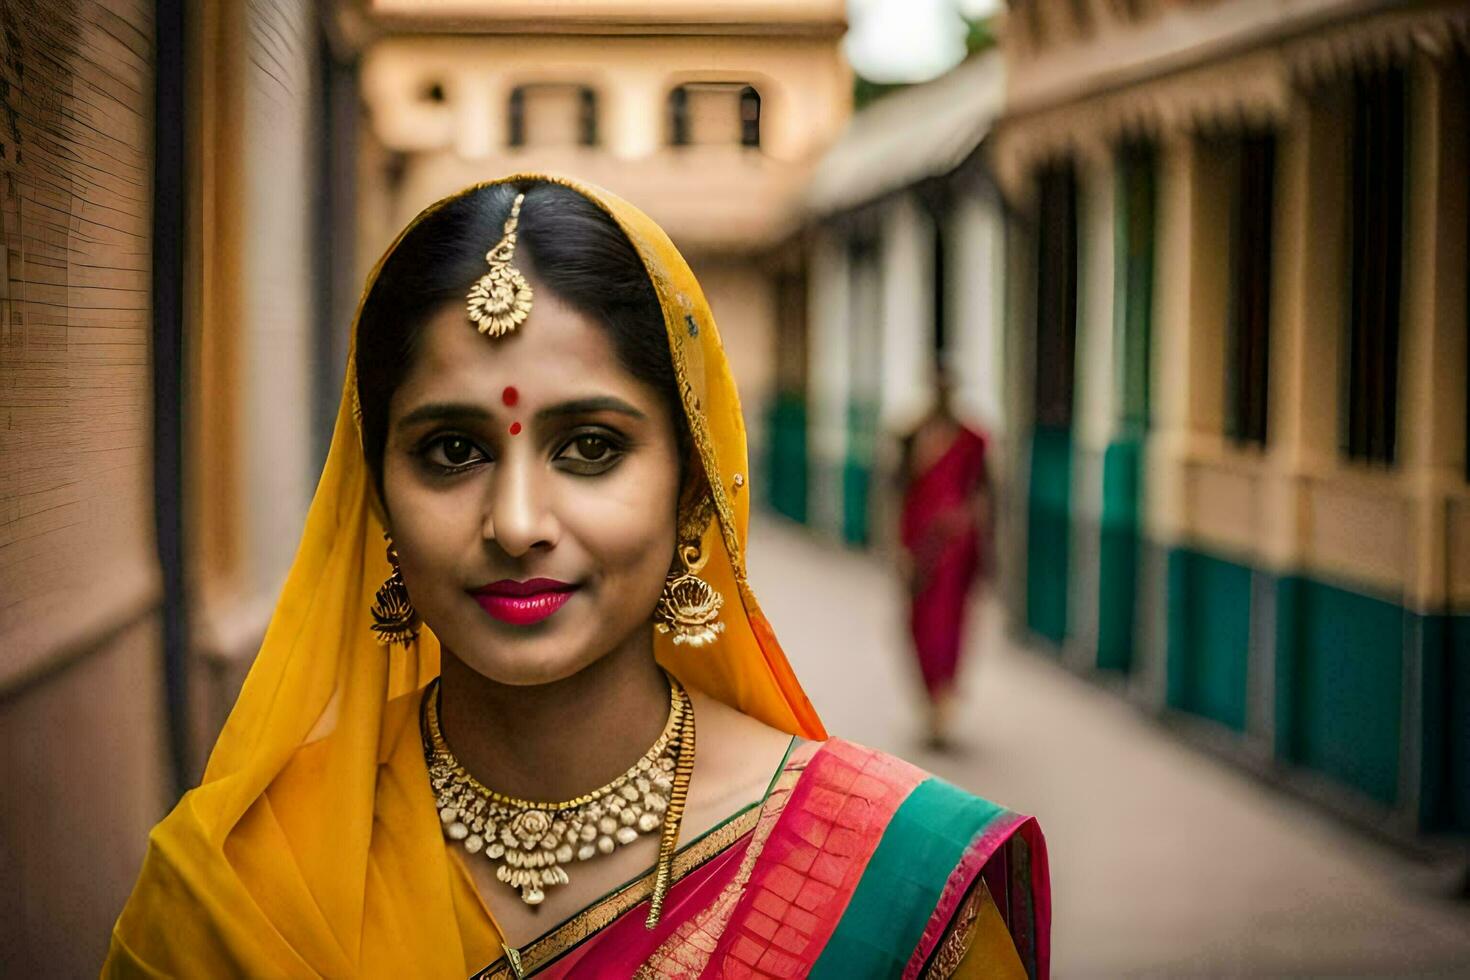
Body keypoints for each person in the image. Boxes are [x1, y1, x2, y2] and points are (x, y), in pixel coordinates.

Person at [105, 176, 1047, 978]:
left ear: (691, 490)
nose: (517, 525)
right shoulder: (239, 885)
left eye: (591, 447)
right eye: (450, 450)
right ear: (376, 497)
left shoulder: (888, 878)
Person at [898, 372, 993, 750]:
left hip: (955, 551)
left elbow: (984, 495)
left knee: (949, 627)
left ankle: (943, 707)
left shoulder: (972, 441)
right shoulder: (912, 437)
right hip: (919, 549)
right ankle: (930, 703)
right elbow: (897, 492)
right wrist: (899, 550)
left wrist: (981, 544)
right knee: (918, 627)